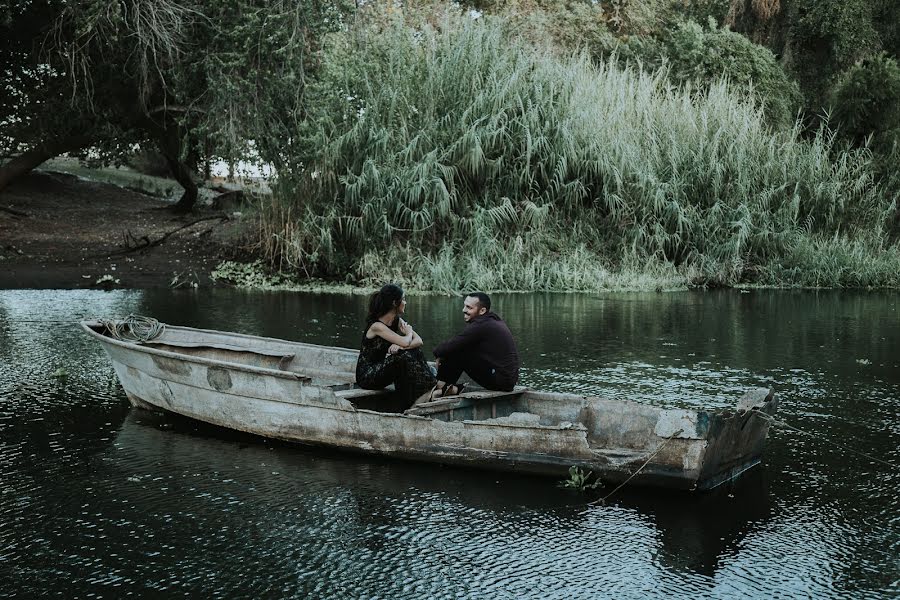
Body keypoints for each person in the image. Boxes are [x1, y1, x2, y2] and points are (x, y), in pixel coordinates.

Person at [355, 283, 436, 409]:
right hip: (367, 376)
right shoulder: (377, 326)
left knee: (414, 351)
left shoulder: (396, 321)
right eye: (403, 299)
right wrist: (408, 334)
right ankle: (426, 393)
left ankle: (429, 388)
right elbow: (406, 341)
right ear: (394, 303)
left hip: (382, 370)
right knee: (401, 357)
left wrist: (401, 347)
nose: (405, 302)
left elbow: (419, 341)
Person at [431, 292, 520, 397]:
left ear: (482, 311)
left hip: (501, 381)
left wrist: (438, 354)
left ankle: (442, 386)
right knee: (458, 349)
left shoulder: (482, 325)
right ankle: (447, 387)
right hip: (507, 379)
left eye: (469, 307)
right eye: (464, 306)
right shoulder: (491, 320)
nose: (464, 310)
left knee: (456, 350)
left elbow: (450, 346)